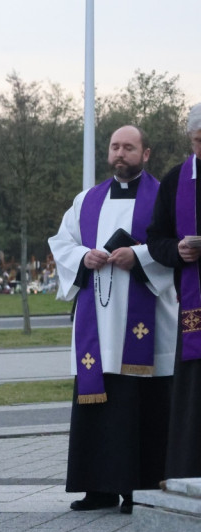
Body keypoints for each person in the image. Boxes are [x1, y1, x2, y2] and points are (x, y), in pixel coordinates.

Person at [50, 126, 174, 513]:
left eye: (129, 148)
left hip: (147, 325)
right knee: (100, 406)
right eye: (115, 147)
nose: (120, 154)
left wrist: (139, 256)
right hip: (98, 326)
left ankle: (139, 491)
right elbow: (62, 243)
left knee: (143, 409)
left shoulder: (163, 197)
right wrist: (83, 257)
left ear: (146, 153)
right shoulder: (87, 200)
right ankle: (99, 488)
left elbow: (174, 246)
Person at [146, 102, 201, 480]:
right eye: (199, 140)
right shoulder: (176, 181)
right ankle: (190, 473)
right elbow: (156, 239)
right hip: (196, 310)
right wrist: (177, 251)